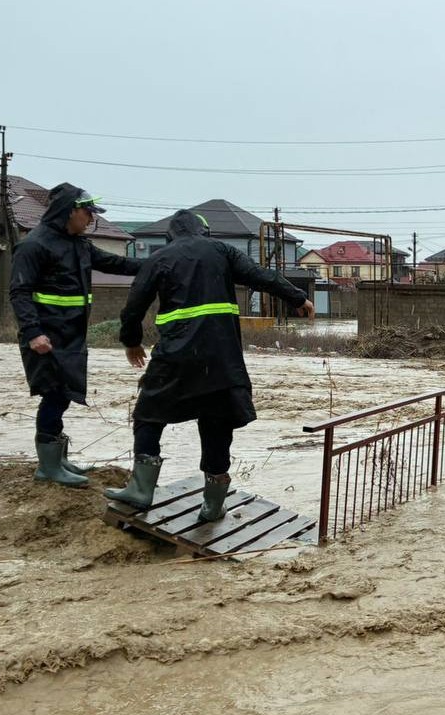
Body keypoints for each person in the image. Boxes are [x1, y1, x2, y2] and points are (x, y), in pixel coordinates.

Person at [105, 210, 314, 521]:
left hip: (175, 356)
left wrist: (132, 341)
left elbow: (133, 306)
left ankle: (140, 490)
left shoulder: (160, 258)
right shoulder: (222, 251)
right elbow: (262, 275)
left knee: (149, 415)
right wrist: (298, 298)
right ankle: (213, 504)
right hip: (221, 359)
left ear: (171, 235)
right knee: (217, 423)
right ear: (204, 231)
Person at [10, 184, 143, 487]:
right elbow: (19, 292)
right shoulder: (34, 245)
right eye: (88, 212)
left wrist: (158, 264)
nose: (91, 218)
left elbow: (116, 263)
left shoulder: (78, 244)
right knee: (53, 396)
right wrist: (34, 333)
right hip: (46, 337)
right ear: (70, 210)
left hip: (70, 337)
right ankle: (47, 467)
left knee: (64, 395)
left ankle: (57, 459)